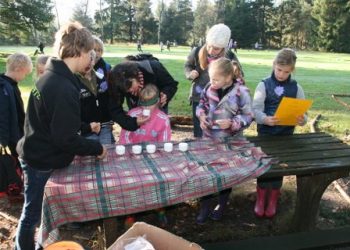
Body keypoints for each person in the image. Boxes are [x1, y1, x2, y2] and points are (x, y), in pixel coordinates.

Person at [15, 22, 107, 250]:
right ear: (80, 52)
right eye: (90, 54)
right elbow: (64, 138)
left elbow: (55, 122)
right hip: (39, 159)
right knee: (32, 214)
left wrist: (85, 129)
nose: (91, 60)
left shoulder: (51, 76)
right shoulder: (62, 86)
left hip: (35, 149)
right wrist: (97, 148)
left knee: (34, 212)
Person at [195, 57, 253, 224]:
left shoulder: (242, 92)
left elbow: (248, 116)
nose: (211, 82)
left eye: (215, 79)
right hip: (209, 140)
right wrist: (202, 117)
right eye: (211, 78)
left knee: (226, 174)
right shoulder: (209, 87)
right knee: (206, 172)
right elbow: (201, 106)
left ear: (228, 77)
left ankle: (221, 204)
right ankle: (205, 206)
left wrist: (233, 123)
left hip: (231, 142)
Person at [252, 48, 307, 218]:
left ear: (292, 70)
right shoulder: (263, 84)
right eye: (279, 70)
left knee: (280, 164)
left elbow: (304, 115)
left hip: (285, 135)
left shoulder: (296, 88)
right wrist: (264, 119)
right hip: (266, 134)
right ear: (274, 65)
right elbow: (255, 110)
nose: (282, 74)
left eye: (286, 71)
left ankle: (274, 197)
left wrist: (301, 120)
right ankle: (260, 198)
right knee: (265, 164)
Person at [119, 84, 171, 227]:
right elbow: (124, 138)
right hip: (133, 158)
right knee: (132, 184)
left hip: (153, 159)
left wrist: (152, 154)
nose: (146, 110)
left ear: (158, 102)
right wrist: (132, 151)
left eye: (150, 106)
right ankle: (131, 213)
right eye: (144, 105)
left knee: (157, 182)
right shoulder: (133, 115)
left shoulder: (163, 119)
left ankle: (160, 209)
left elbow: (164, 144)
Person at [184, 23, 243, 138]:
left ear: (223, 47)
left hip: (221, 100)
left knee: (218, 132)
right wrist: (190, 74)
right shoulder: (197, 52)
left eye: (216, 48)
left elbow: (239, 74)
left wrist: (235, 78)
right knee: (200, 130)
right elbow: (187, 65)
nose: (211, 50)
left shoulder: (230, 56)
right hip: (199, 97)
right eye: (209, 46)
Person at [108, 54, 178, 132]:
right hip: (135, 106)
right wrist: (133, 123)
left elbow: (171, 84)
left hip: (157, 104)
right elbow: (115, 109)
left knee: (157, 129)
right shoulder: (116, 82)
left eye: (130, 85)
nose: (129, 90)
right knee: (139, 134)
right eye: (125, 90)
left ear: (136, 75)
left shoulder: (154, 67)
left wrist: (166, 94)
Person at [0, 53, 32, 197]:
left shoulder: (11, 86)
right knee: (12, 165)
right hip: (10, 139)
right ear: (19, 69)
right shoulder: (4, 88)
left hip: (18, 135)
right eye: (25, 73)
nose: (25, 77)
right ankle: (12, 188)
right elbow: (4, 116)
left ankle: (17, 186)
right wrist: (4, 142)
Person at [76, 50, 114, 145]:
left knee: (107, 153)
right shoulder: (74, 81)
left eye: (91, 59)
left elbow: (110, 99)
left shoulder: (102, 77)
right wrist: (84, 127)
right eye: (86, 60)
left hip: (105, 126)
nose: (89, 63)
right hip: (86, 130)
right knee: (90, 156)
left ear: (94, 61)